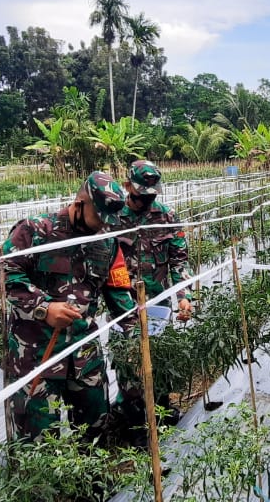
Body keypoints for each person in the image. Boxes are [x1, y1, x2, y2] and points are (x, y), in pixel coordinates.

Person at [2, 171, 136, 440]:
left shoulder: (106, 242)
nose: (103, 224)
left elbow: (118, 292)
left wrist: (136, 330)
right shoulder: (35, 231)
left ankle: (90, 468)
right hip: (36, 356)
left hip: (84, 355)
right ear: (79, 204)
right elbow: (8, 276)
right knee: (36, 440)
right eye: (99, 217)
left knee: (95, 430)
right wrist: (43, 307)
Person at [109, 160, 192, 430]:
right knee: (128, 365)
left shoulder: (166, 217)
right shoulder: (113, 219)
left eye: (151, 195)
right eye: (141, 195)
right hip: (123, 305)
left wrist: (183, 296)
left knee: (160, 360)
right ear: (127, 187)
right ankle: (134, 422)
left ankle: (162, 412)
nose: (146, 201)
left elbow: (179, 260)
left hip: (159, 303)